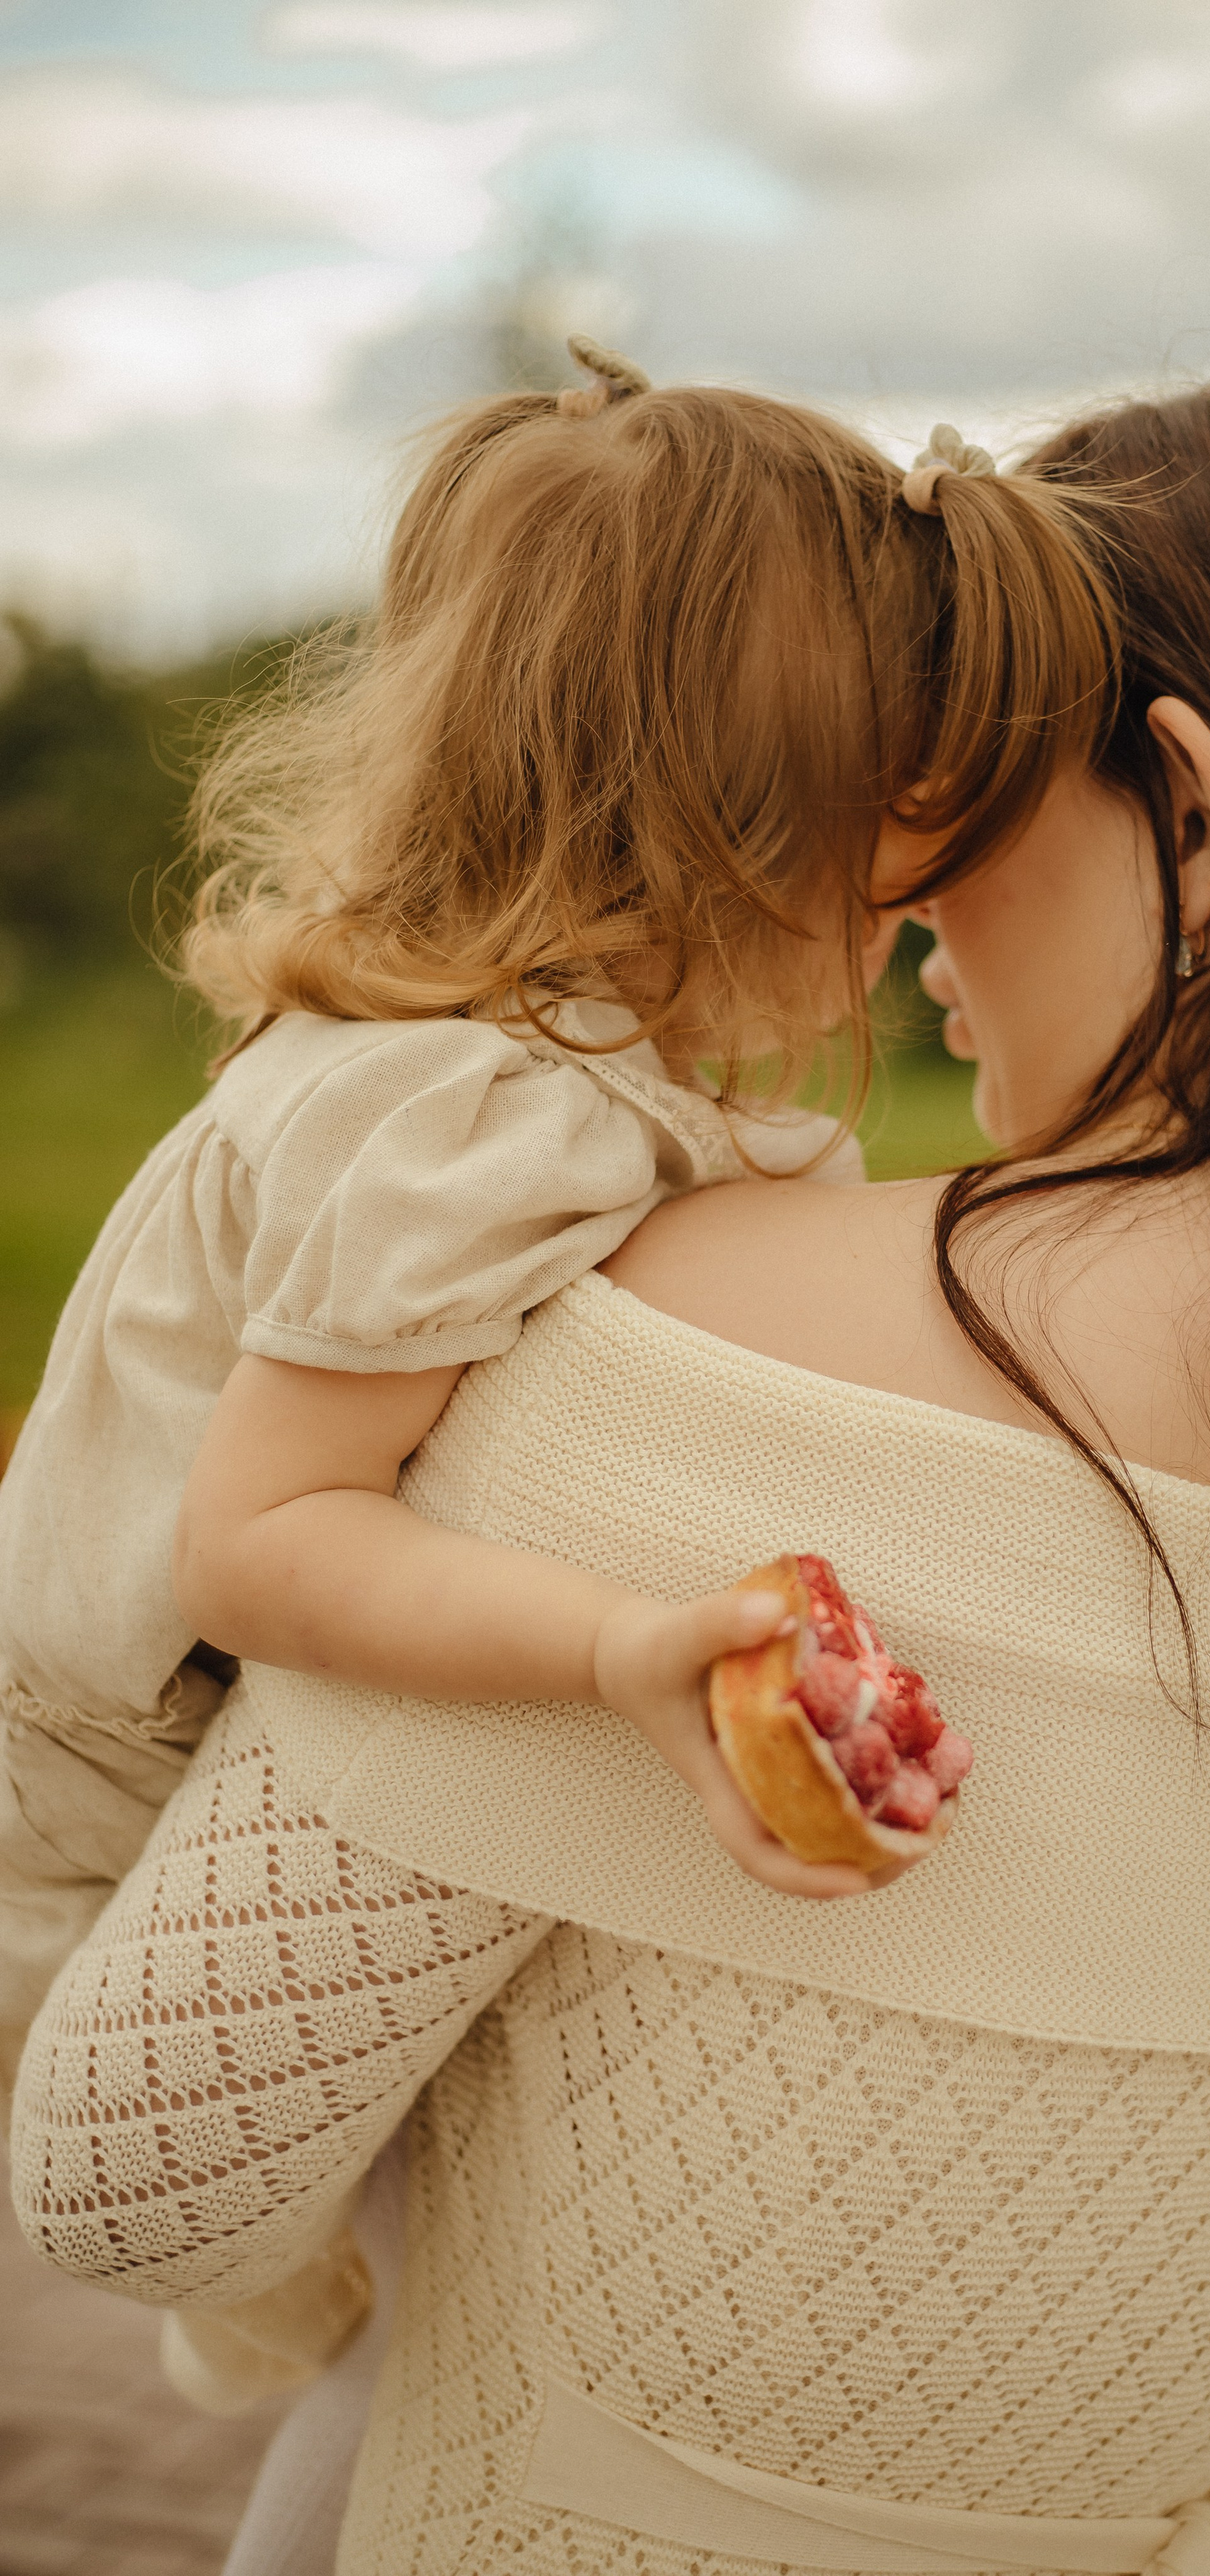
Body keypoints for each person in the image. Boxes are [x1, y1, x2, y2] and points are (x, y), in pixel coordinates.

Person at [15, 362, 1210, 2576]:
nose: (905, 906)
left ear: (1193, 819)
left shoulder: (655, 1357)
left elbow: (145, 2176)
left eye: (967, 793)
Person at [0, 340, 1113, 2110]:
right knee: (177, 2180)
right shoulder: (475, 1119)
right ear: (728, 829)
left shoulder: (547, 1078)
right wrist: (615, 1649)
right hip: (91, 1817)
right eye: (884, 834)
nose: (915, 906)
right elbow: (264, 1536)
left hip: (176, 1776)